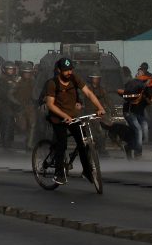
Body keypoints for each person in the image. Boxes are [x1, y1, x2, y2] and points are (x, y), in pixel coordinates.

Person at [44, 57, 106, 185]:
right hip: (58, 118)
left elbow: (88, 93)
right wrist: (64, 115)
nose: (69, 72)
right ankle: (59, 174)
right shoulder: (52, 83)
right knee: (62, 143)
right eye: (66, 70)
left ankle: (87, 171)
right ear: (59, 70)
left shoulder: (74, 78)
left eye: (70, 70)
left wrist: (100, 108)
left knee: (83, 142)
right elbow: (50, 104)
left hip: (73, 117)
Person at [118, 70, 152, 159]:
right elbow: (123, 92)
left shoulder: (146, 88)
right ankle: (138, 153)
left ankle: (129, 147)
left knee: (144, 133)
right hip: (130, 112)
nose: (140, 75)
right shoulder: (131, 85)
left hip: (140, 113)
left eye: (141, 74)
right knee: (138, 130)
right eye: (138, 73)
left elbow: (150, 101)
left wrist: (147, 96)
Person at [0, 63, 20, 149]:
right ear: (4, 70)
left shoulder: (14, 79)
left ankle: (9, 140)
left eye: (12, 69)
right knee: (7, 121)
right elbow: (2, 94)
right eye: (9, 69)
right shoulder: (1, 80)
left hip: (12, 103)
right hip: (4, 103)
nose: (10, 71)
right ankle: (5, 141)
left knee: (11, 122)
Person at [15, 63, 37, 150]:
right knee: (23, 127)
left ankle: (29, 144)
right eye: (25, 72)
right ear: (22, 73)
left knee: (32, 124)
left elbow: (36, 92)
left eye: (29, 72)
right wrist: (16, 102)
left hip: (30, 105)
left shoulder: (33, 81)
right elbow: (10, 94)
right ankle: (28, 139)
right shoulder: (18, 81)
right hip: (20, 106)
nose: (27, 74)